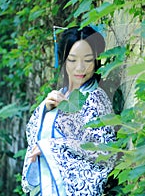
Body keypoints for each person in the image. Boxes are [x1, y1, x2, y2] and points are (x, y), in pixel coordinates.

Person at [21, 26, 116, 196]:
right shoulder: (63, 93)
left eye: (87, 60)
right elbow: (32, 135)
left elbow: (105, 151)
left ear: (96, 61)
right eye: (72, 60)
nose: (79, 68)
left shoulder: (96, 98)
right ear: (64, 61)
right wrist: (44, 109)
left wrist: (53, 146)